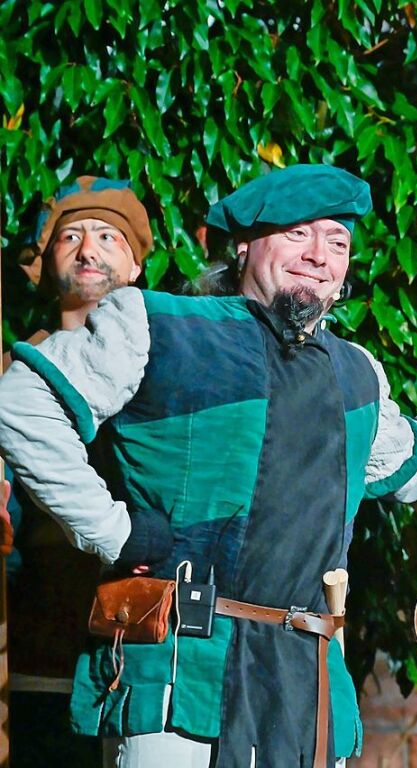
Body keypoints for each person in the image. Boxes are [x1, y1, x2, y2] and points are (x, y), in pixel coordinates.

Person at [0, 163, 417, 768]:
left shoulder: (356, 374)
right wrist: (112, 529)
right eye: (299, 233)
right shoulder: (158, 325)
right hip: (179, 670)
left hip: (306, 686)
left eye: (338, 242)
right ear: (244, 245)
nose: (320, 255)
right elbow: (22, 403)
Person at [4, 176, 152, 767]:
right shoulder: (11, 375)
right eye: (71, 236)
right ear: (45, 263)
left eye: (108, 236)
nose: (89, 249)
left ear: (137, 266)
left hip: (143, 653)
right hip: (40, 661)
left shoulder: (170, 368)